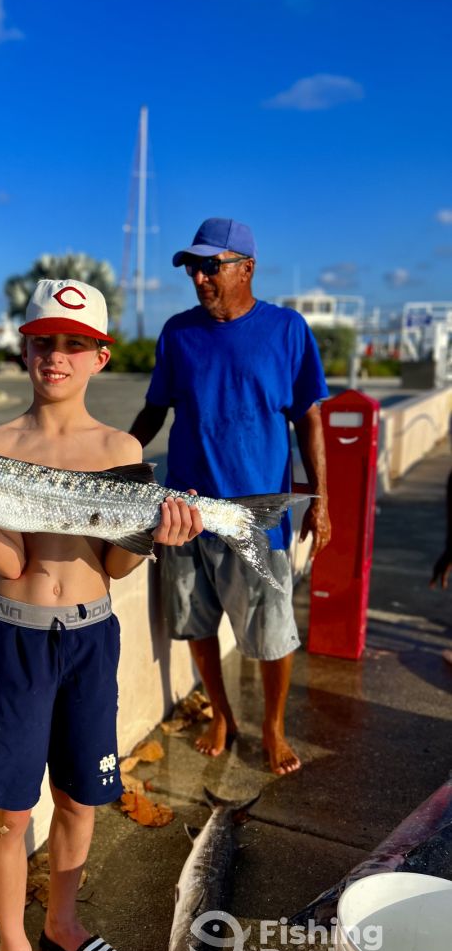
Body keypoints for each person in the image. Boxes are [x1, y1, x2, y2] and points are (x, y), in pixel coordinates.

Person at [0, 278, 203, 951]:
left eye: (75, 344)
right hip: (15, 636)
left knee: (79, 797)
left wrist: (156, 537)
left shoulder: (121, 451)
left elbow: (113, 566)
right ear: (25, 348)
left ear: (100, 357)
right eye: (44, 341)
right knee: (10, 811)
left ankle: (63, 922)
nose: (57, 356)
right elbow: (10, 562)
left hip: (90, 638)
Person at [130, 218, 331, 777]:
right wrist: (112, 458)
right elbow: (154, 411)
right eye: (193, 269)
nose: (199, 278)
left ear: (247, 268)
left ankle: (273, 727)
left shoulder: (287, 330)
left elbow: (309, 419)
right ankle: (222, 715)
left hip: (256, 519)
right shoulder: (177, 333)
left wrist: (321, 499)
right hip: (185, 514)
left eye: (210, 267)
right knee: (194, 623)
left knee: (271, 633)